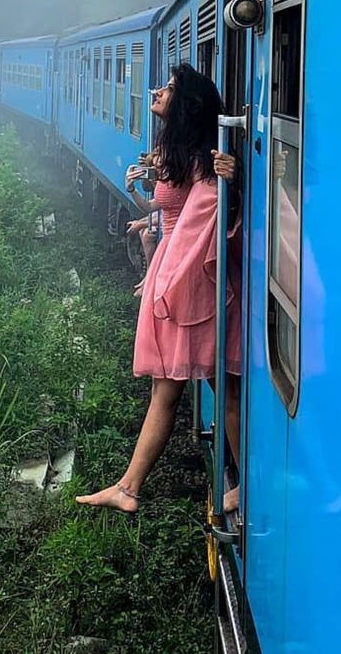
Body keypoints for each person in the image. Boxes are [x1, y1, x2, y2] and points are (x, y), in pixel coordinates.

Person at [76, 63, 241, 514]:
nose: (155, 91)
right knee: (205, 384)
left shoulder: (205, 159)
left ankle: (131, 487)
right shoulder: (186, 152)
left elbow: (204, 216)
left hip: (189, 287)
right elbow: (175, 216)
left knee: (191, 386)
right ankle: (130, 486)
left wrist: (232, 175)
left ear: (185, 105)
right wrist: (142, 201)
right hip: (178, 278)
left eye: (167, 89)